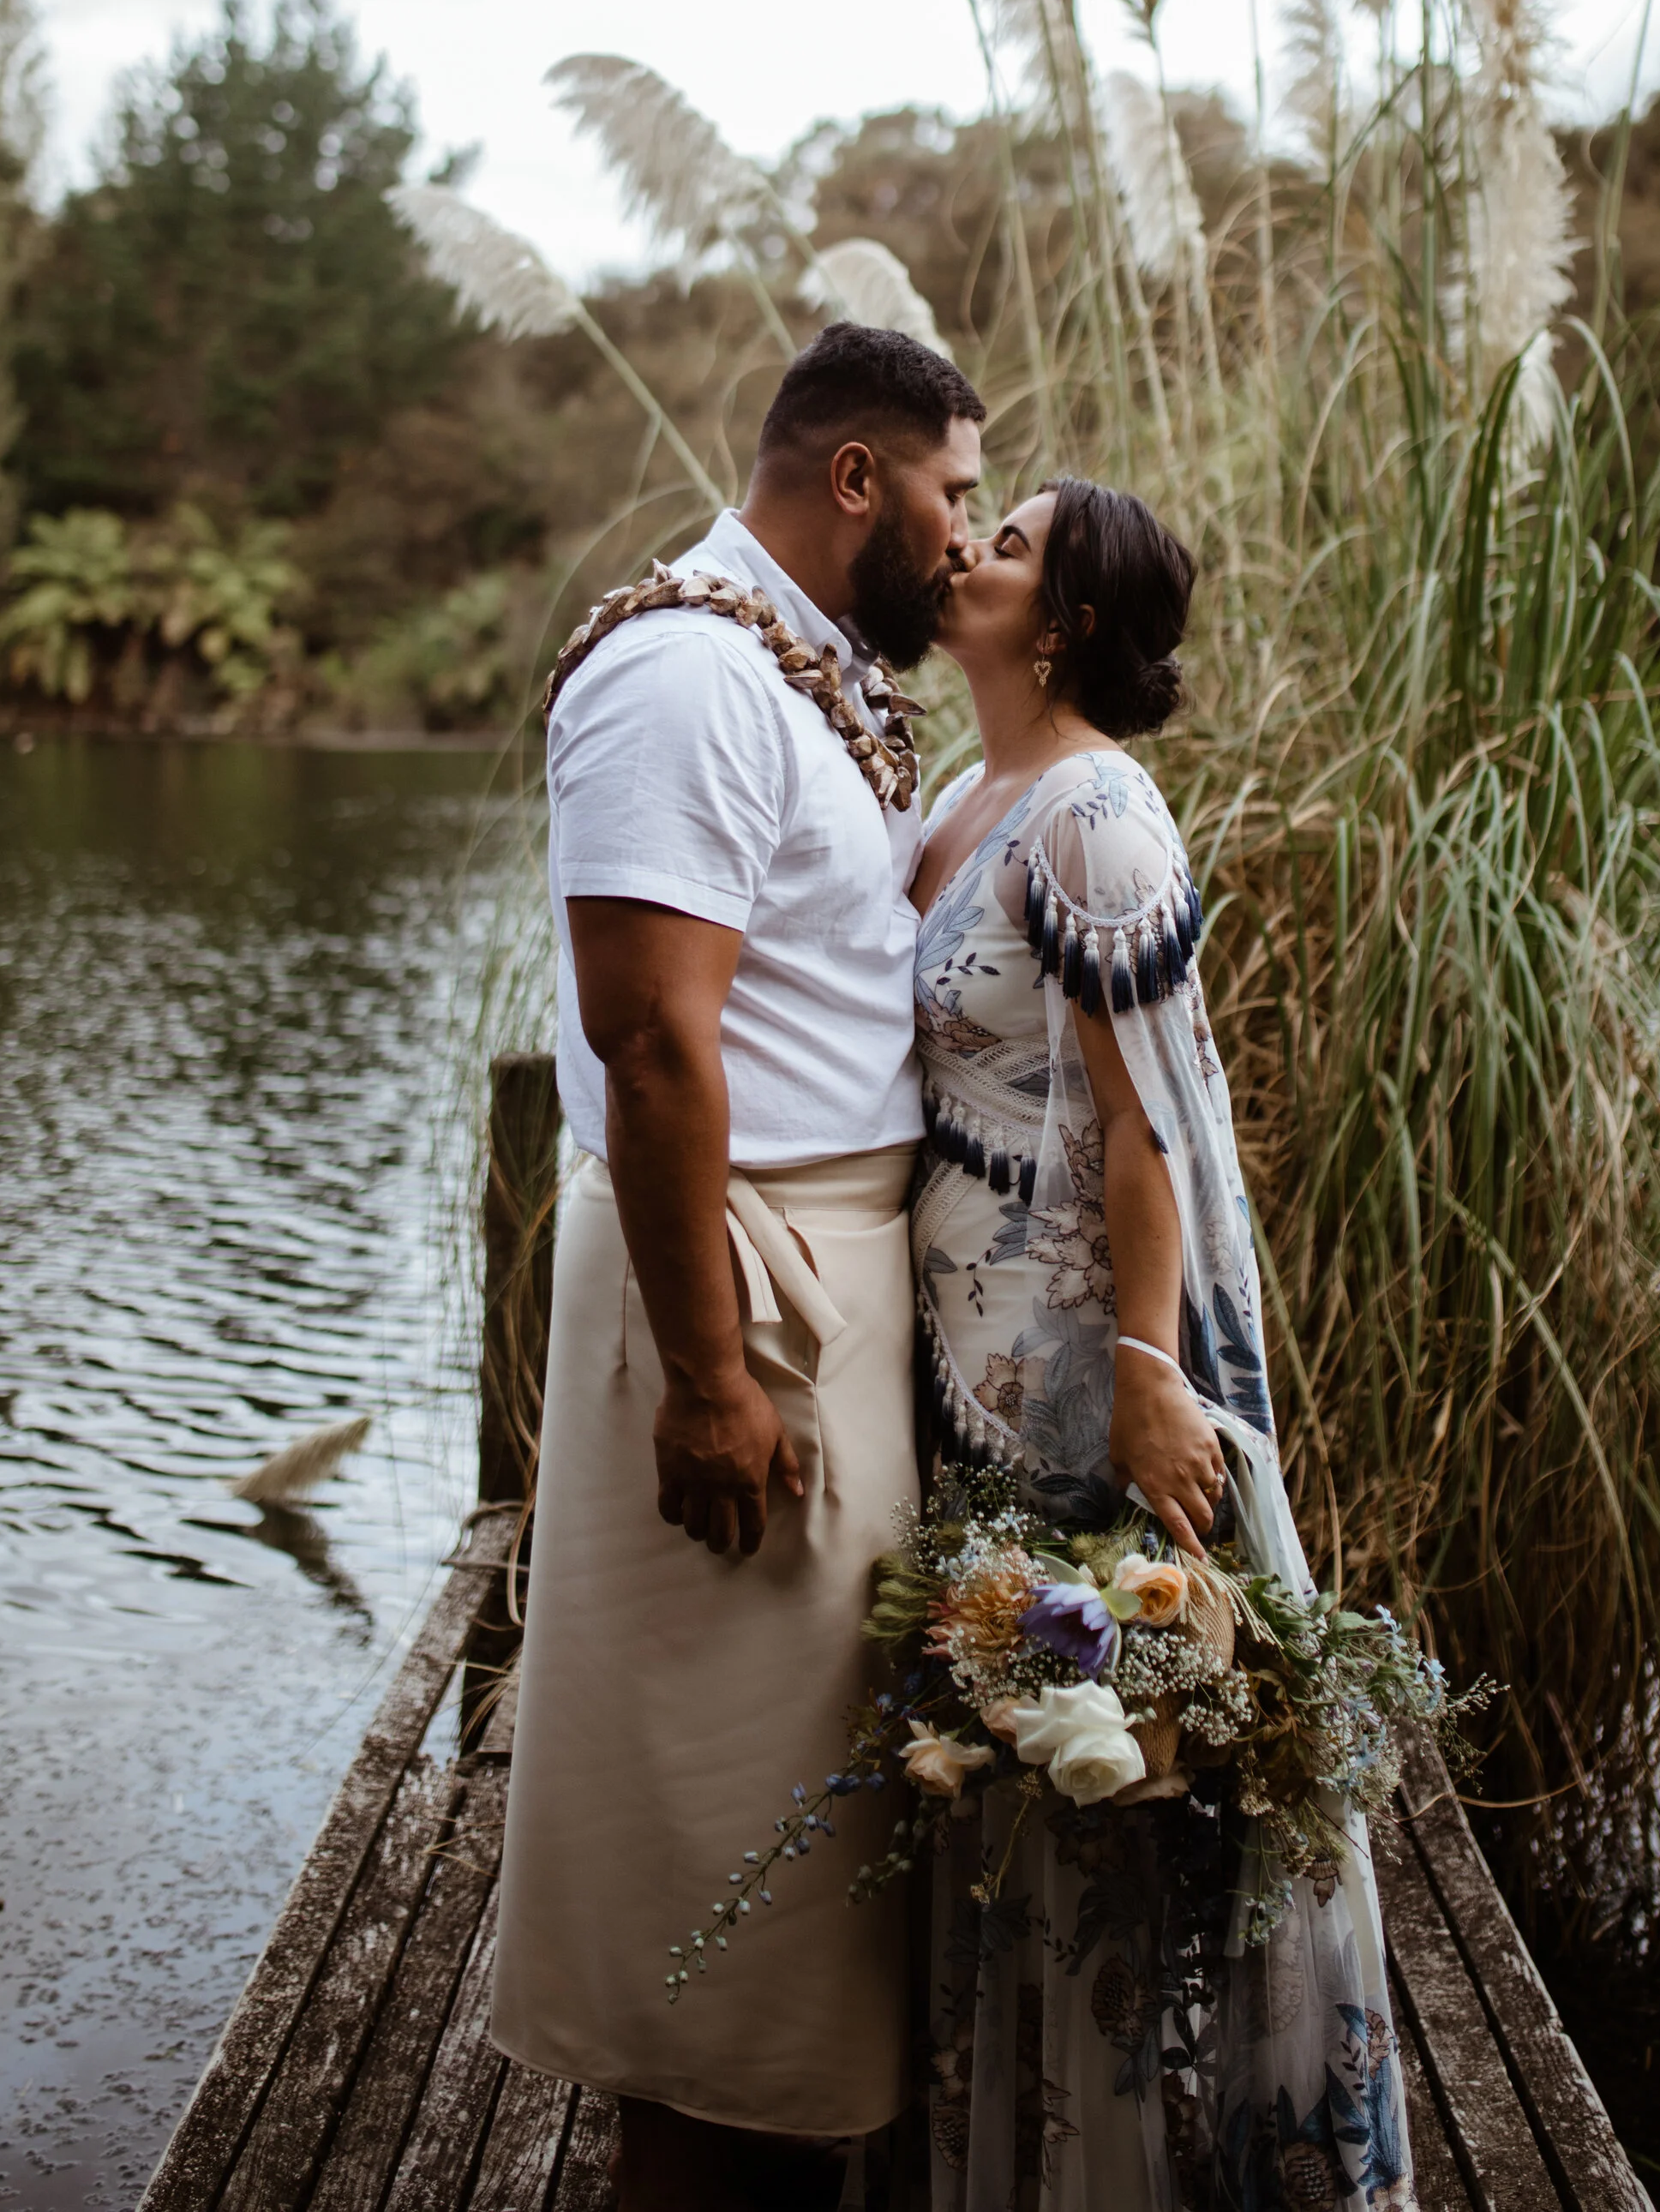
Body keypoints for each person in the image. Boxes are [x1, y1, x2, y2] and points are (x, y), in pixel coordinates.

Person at [490, 321, 986, 2212]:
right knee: (726, 1869)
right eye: (946, 493)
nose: (962, 535)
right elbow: (650, 1041)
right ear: (850, 478)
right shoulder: (687, 675)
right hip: (740, 1296)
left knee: (793, 1861)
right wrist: (709, 1379)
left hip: (819, 1281)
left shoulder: (809, 672)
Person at [910, 477, 1415, 2210]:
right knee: (1025, 1767)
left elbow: (1150, 1125)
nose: (967, 545)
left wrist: (1144, 1374)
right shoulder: (961, 792)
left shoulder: (1094, 815)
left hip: (1070, 1390)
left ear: (1060, 621)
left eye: (1010, 540)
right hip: (963, 1391)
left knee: (1118, 1775)